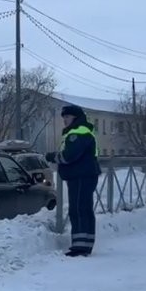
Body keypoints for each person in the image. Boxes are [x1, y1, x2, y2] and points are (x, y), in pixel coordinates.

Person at [46, 105, 101, 257]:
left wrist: (52, 157)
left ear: (75, 118)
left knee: (78, 209)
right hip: (85, 174)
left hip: (80, 175)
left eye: (67, 117)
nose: (64, 120)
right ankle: (85, 244)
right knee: (85, 209)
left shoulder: (77, 133)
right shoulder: (83, 130)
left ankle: (80, 246)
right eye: (63, 117)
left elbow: (69, 155)